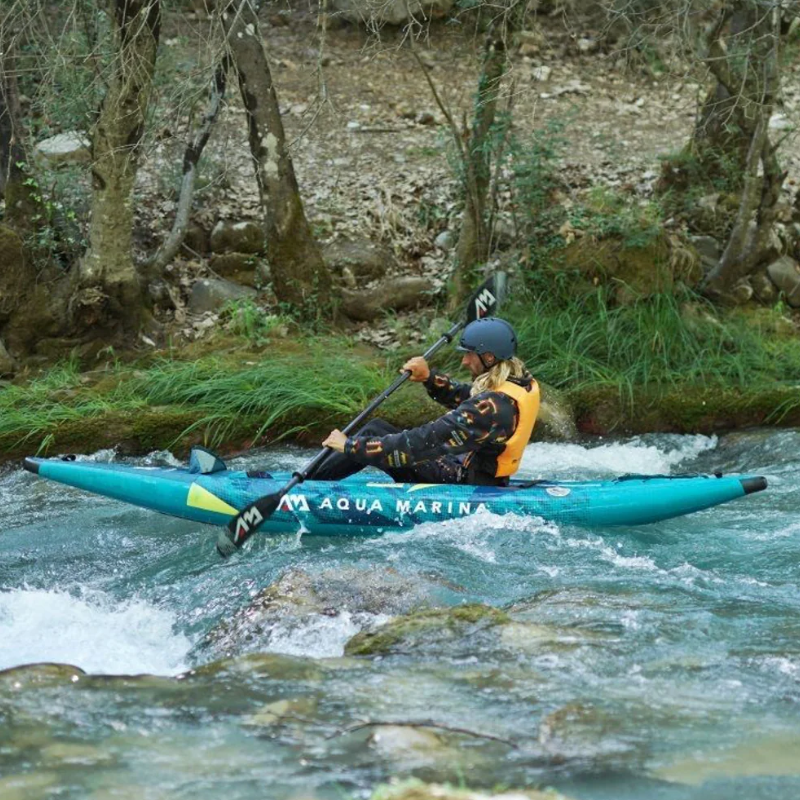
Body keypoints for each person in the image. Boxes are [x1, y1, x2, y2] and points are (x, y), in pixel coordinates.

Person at [317, 317, 539, 486]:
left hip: (463, 482)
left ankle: (308, 487)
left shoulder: (490, 408)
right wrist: (429, 378)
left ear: (489, 357)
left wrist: (350, 446)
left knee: (370, 433)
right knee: (376, 428)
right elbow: (466, 396)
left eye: (469, 354)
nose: (464, 361)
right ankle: (314, 479)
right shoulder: (518, 383)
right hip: (485, 476)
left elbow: (421, 443)